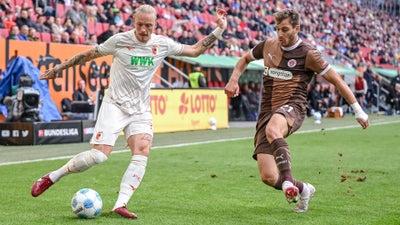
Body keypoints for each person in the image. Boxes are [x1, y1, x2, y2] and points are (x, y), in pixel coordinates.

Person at [31, 4, 227, 219]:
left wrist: (218, 30)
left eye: (149, 26)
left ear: (155, 25)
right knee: (99, 156)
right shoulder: (119, 40)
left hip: (140, 109)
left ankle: (120, 204)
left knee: (142, 150)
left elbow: (195, 50)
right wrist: (59, 69)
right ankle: (52, 177)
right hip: (114, 104)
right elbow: (89, 54)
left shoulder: (162, 44)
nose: (144, 30)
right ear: (134, 22)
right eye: (140, 25)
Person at [224, 9, 369, 213]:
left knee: (274, 130)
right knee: (268, 177)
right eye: (277, 29)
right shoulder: (267, 45)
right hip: (266, 112)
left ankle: (288, 183)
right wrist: (233, 79)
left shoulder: (308, 54)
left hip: (294, 107)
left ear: (297, 28)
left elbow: (336, 80)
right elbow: (244, 60)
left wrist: (358, 110)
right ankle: (303, 188)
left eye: (285, 30)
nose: (280, 34)